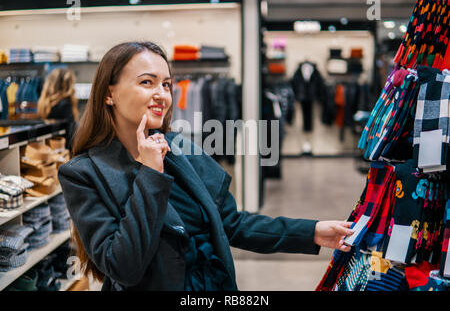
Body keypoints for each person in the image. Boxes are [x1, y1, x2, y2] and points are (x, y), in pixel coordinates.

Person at [58, 41, 354, 291]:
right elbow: (123, 266)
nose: (161, 94)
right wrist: (149, 173)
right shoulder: (84, 173)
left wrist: (311, 232)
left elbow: (231, 224)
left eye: (166, 84)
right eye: (146, 82)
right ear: (109, 94)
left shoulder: (181, 148)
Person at [37, 68, 79, 150]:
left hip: (48, 150)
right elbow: (71, 136)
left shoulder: (45, 105)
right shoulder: (65, 105)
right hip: (64, 153)